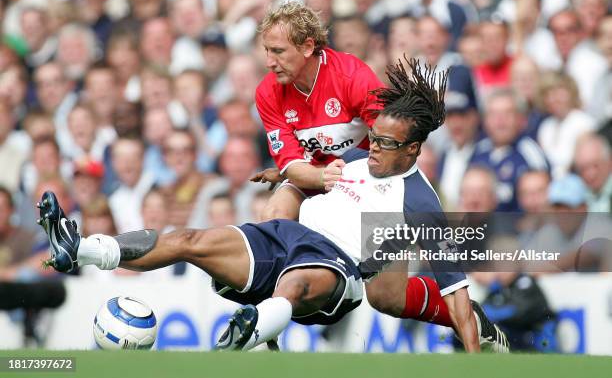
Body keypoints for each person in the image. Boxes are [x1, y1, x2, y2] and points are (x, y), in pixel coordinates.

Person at [36, 58, 508, 352]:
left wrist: (478, 348)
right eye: (374, 135)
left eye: (387, 142)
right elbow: (310, 174)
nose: (375, 146)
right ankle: (79, 247)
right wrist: (282, 173)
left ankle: (252, 333)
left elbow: (456, 293)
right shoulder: (358, 155)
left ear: (413, 150)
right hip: (285, 237)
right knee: (189, 240)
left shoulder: (420, 200)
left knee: (299, 284)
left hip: (335, 268)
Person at [252, 1, 384, 221]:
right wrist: (323, 175)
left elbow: (391, 143)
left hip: (366, 174)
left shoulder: (354, 77)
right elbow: (292, 166)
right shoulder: (267, 92)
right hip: (313, 176)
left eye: (278, 51)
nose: (269, 62)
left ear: (307, 47)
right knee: (272, 216)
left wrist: (352, 174)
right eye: (267, 50)